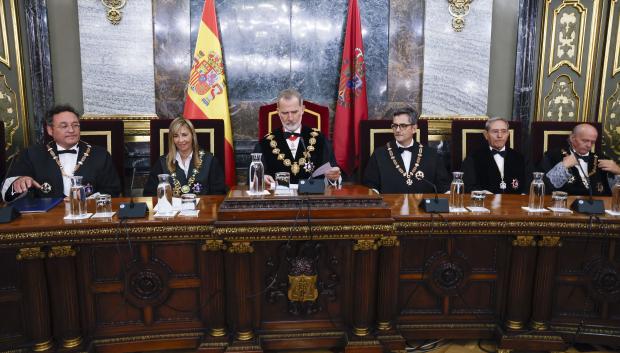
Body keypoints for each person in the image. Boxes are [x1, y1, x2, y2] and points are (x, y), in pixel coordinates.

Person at [2, 104, 121, 201]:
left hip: (89, 216)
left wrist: (90, 198)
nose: (71, 130)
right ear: (50, 130)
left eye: (75, 125)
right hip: (45, 221)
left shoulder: (99, 154)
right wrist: (18, 183)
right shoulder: (32, 154)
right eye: (64, 126)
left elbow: (113, 190)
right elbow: (8, 193)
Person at [254, 88, 341, 185]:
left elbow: (334, 175)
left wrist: (333, 177)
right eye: (285, 113)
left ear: (302, 109)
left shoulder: (320, 140)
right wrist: (261, 178)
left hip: (313, 198)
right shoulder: (264, 143)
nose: (290, 118)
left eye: (294, 112)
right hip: (277, 198)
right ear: (278, 112)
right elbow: (253, 178)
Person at [363, 107, 450, 193]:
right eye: (395, 126)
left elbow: (443, 187)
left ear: (414, 128)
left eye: (403, 126)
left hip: (423, 206)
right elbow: (370, 186)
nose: (397, 130)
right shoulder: (379, 154)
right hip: (390, 206)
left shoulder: (432, 155)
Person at [143, 117, 227, 196]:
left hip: (203, 210)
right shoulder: (162, 162)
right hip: (173, 211)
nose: (181, 140)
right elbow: (149, 194)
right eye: (176, 136)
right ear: (172, 139)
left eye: (184, 135)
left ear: (192, 136)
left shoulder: (210, 161)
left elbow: (219, 195)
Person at [539, 123, 620, 195]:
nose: (589, 145)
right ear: (572, 138)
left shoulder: (602, 159)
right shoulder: (553, 156)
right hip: (565, 205)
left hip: (599, 206)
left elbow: (615, 194)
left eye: (592, 142)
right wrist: (563, 166)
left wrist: (618, 172)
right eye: (585, 141)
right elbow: (542, 187)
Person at [461, 117, 529, 194]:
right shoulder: (473, 157)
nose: (500, 135)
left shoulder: (520, 158)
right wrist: (481, 193)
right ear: (486, 135)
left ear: (508, 134)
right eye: (495, 131)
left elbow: (529, 184)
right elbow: (467, 185)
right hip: (486, 203)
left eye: (504, 131)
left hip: (516, 203)